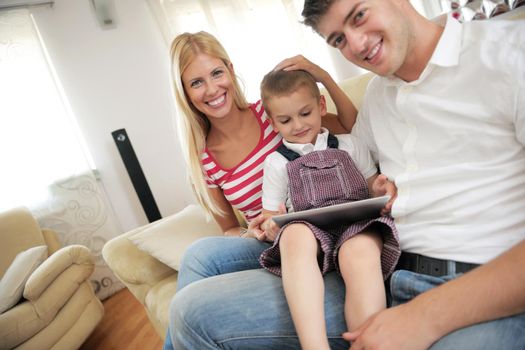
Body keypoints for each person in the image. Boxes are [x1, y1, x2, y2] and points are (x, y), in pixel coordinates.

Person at [168, 1, 525, 349]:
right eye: (337, 39)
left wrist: (422, 316)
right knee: (192, 297)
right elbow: (364, 160)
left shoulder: (507, 53)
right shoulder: (378, 95)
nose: (354, 45)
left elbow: (343, 144)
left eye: (359, 15)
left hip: (445, 271)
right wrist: (270, 221)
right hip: (379, 264)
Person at [164, 31, 358, 349]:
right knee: (198, 255)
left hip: (310, 232)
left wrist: (323, 76)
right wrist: (253, 232)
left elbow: (351, 127)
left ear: (229, 68)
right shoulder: (205, 160)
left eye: (216, 73)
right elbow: (228, 227)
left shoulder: (274, 116)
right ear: (184, 93)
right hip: (269, 240)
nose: (212, 89)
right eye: (196, 82)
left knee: (197, 258)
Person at [254, 68, 400, 349]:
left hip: (355, 226)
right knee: (295, 234)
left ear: (321, 105)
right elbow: (271, 215)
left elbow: (371, 185)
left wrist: (380, 189)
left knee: (359, 252)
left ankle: (368, 342)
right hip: (310, 235)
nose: (298, 125)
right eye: (285, 120)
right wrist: (271, 225)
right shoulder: (276, 163)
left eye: (305, 113)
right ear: (273, 123)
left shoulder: (350, 144)